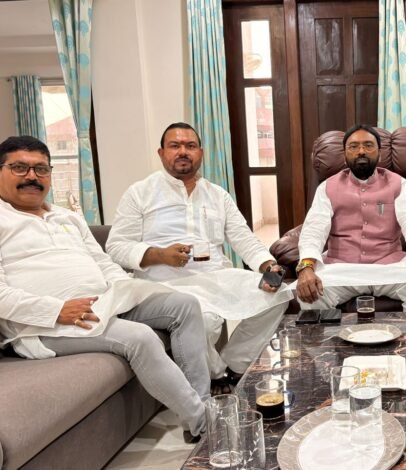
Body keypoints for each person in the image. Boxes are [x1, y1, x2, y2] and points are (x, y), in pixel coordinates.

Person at [0, 136, 210, 440]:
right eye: (19, 168)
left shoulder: (67, 217)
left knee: (185, 305)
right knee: (140, 337)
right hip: (44, 326)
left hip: (104, 303)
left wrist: (125, 291)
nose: (32, 176)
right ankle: (205, 424)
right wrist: (56, 310)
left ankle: (206, 404)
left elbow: (103, 262)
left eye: (41, 169)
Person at [107, 123, 292, 388]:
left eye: (190, 146)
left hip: (215, 278)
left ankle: (235, 365)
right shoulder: (140, 193)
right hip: (164, 286)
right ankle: (216, 377)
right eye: (175, 146)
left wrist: (268, 265)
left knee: (279, 295)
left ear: (201, 153)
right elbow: (116, 246)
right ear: (161, 153)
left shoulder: (217, 195)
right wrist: (159, 255)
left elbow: (243, 237)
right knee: (202, 321)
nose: (183, 151)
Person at [295, 124, 406, 311]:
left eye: (368, 145)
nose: (361, 151)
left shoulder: (398, 183)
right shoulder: (327, 187)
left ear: (379, 154)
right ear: (344, 155)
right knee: (311, 294)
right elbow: (314, 229)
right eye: (353, 146)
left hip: (389, 266)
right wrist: (306, 268)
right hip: (341, 268)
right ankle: (329, 333)